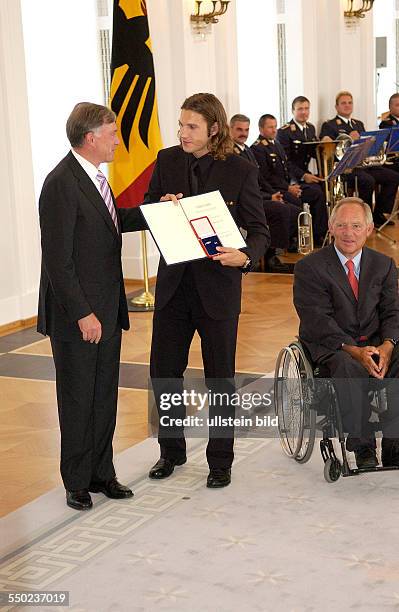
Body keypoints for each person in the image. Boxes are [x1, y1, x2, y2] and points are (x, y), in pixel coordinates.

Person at [146, 93, 269, 488]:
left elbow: (261, 230)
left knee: (219, 378)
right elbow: (149, 205)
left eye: (191, 126)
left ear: (213, 129)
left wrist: (245, 257)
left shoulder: (240, 169)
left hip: (217, 288)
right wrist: (161, 205)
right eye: (180, 125)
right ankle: (171, 452)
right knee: (164, 373)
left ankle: (220, 462)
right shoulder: (166, 160)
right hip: (173, 287)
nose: (182, 132)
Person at [37, 102, 146, 510]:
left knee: (103, 395)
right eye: (113, 132)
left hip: (107, 309)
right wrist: (83, 314)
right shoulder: (61, 183)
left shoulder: (96, 178)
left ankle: (102, 473)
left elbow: (113, 219)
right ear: (91, 138)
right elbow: (57, 261)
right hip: (77, 316)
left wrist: (159, 211)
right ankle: (76, 481)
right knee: (78, 398)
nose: (118, 139)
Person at [293, 197, 399, 469]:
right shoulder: (310, 267)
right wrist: (354, 350)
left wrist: (387, 346)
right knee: (347, 367)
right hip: (332, 345)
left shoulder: (384, 264)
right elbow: (316, 319)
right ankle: (362, 446)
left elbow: (392, 311)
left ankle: (394, 444)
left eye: (355, 225)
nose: (348, 233)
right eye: (341, 225)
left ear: (369, 229)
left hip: (376, 342)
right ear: (330, 227)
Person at [230, 113, 298, 272]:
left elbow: (259, 179)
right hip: (242, 203)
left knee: (294, 210)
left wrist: (274, 194)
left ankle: (279, 250)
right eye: (239, 129)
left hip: (257, 197)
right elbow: (240, 187)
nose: (243, 133)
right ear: (230, 129)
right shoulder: (230, 153)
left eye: (246, 129)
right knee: (280, 210)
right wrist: (269, 197)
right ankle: (269, 258)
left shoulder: (246, 149)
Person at [320, 91, 399, 227]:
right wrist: (350, 138)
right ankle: (363, 218)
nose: (347, 105)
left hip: (364, 165)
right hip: (346, 168)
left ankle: (379, 214)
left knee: (393, 176)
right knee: (367, 181)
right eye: (343, 103)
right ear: (336, 107)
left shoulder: (358, 124)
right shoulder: (330, 125)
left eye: (350, 102)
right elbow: (329, 148)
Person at [251, 114, 328, 246]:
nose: (274, 130)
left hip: (288, 185)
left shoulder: (276, 145)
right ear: (261, 129)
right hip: (275, 190)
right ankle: (293, 239)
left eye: (275, 126)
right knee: (295, 202)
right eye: (270, 127)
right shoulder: (258, 148)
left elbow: (287, 168)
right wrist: (288, 188)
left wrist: (294, 184)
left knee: (317, 193)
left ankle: (318, 234)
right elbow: (266, 177)